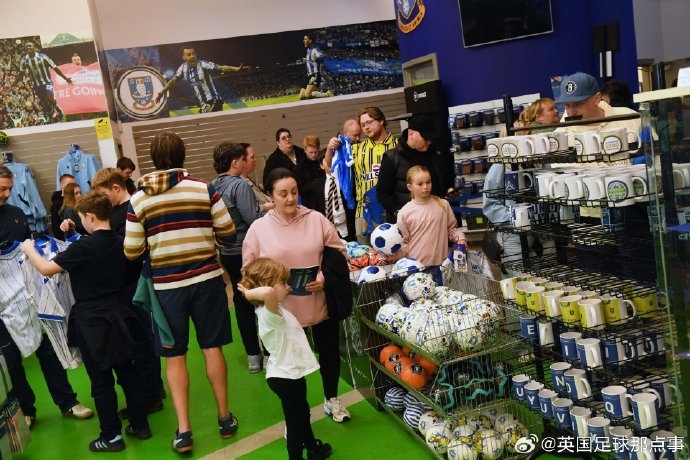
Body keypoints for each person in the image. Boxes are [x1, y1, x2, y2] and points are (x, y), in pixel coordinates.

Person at [123, 132, 238, 453]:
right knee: (212, 349)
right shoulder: (204, 189)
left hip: (166, 290)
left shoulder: (138, 199)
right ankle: (225, 418)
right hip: (207, 283)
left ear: (153, 158)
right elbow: (228, 235)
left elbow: (131, 251)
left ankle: (184, 431)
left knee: (174, 358)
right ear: (183, 155)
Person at [21, 191, 151, 453]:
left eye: (81, 218)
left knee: (101, 382)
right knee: (128, 374)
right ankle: (140, 426)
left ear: (90, 216)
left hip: (93, 322)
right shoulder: (121, 241)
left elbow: (46, 269)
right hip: (122, 314)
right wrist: (72, 233)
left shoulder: (83, 248)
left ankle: (111, 437)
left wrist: (28, 250)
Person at [243, 168, 351, 423]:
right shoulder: (259, 229)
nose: (291, 198)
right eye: (283, 194)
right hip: (282, 311)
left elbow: (339, 253)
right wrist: (270, 289)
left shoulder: (316, 219)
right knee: (290, 365)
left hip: (319, 302)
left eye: (294, 192)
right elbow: (248, 271)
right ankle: (297, 414)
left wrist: (324, 276)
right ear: (271, 195)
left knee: (329, 352)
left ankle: (332, 398)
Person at [0, 165, 93, 430]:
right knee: (12, 361)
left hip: (28, 293)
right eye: (2, 189)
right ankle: (26, 411)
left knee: (48, 349)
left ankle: (67, 402)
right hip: (2, 303)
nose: (7, 194)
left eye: (9, 188)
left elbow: (31, 251)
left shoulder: (16, 214)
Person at [238, 258, 333, 460]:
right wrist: (247, 294)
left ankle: (312, 447)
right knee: (295, 421)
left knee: (302, 412)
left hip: (291, 374)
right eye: (283, 283)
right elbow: (269, 292)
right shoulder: (269, 313)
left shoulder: (275, 309)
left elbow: (270, 292)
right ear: (265, 286)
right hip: (285, 377)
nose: (289, 287)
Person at [89, 168, 165, 417]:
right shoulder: (117, 212)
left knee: (141, 342)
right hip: (126, 284)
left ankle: (151, 396)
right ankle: (153, 390)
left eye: (103, 193)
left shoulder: (132, 210)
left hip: (134, 282)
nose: (101, 199)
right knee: (139, 341)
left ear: (115, 188)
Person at [211, 142, 266, 373]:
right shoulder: (239, 185)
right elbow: (253, 219)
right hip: (246, 250)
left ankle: (253, 356)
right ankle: (269, 354)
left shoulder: (212, 186)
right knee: (261, 300)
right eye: (243, 159)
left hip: (226, 252)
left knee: (241, 301)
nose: (246, 162)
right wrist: (268, 210)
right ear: (235, 162)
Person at [377, 113, 455, 222]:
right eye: (425, 138)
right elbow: (382, 194)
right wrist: (400, 212)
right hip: (409, 223)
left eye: (430, 138)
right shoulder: (392, 158)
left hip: (438, 218)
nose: (429, 142)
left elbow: (446, 177)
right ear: (411, 133)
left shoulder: (437, 153)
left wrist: (449, 188)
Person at [397, 165, 466, 267]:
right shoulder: (404, 212)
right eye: (420, 184)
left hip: (442, 266)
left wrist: (461, 238)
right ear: (410, 187)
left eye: (428, 182)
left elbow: (451, 230)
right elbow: (403, 243)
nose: (425, 187)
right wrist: (393, 257)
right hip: (416, 269)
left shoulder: (443, 204)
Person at [347, 107, 398, 243]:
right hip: (363, 213)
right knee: (365, 255)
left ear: (381, 121)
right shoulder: (357, 149)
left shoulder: (398, 145)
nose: (366, 127)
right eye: (363, 125)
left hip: (391, 210)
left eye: (369, 122)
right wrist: (330, 148)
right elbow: (329, 165)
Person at [155, 46, 249, 113]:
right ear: (184, 57)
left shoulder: (203, 64)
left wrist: (236, 69)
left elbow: (221, 68)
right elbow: (173, 81)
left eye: (193, 54)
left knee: (202, 123)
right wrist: (162, 92)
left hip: (213, 100)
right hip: (204, 104)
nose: (192, 56)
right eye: (189, 55)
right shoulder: (182, 68)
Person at [554, 72, 640, 134]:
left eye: (577, 104)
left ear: (597, 98)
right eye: (567, 105)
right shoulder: (561, 136)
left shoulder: (630, 118)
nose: (571, 113)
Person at [16, 41, 73, 122]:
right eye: (26, 46)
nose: (28, 47)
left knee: (50, 99)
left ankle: (58, 109)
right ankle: (54, 117)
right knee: (44, 103)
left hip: (47, 82)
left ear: (34, 47)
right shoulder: (24, 60)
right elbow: (20, 74)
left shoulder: (43, 57)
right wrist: (12, 85)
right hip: (36, 85)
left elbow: (55, 68)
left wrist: (65, 78)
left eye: (30, 46)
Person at [240, 143, 274, 213]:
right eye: (252, 157)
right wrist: (265, 207)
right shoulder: (241, 185)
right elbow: (248, 210)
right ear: (243, 162)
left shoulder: (247, 179)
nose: (255, 159)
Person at [295, 135, 325, 210]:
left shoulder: (324, 162)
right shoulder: (300, 168)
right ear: (305, 150)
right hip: (310, 204)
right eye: (311, 152)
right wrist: (316, 184)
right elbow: (299, 189)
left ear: (319, 148)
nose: (314, 155)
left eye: (316, 152)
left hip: (325, 201)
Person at [299, 34, 334, 100]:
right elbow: (311, 59)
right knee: (301, 96)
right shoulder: (308, 49)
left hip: (315, 74)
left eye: (305, 39)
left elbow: (321, 58)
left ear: (310, 40)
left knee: (307, 95)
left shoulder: (315, 49)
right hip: (309, 75)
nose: (303, 40)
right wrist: (306, 59)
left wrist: (317, 59)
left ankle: (327, 94)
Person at [50, 173, 76, 239]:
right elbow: (56, 227)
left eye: (74, 185)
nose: (72, 187)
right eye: (69, 185)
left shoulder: (75, 198)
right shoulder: (57, 205)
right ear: (62, 185)